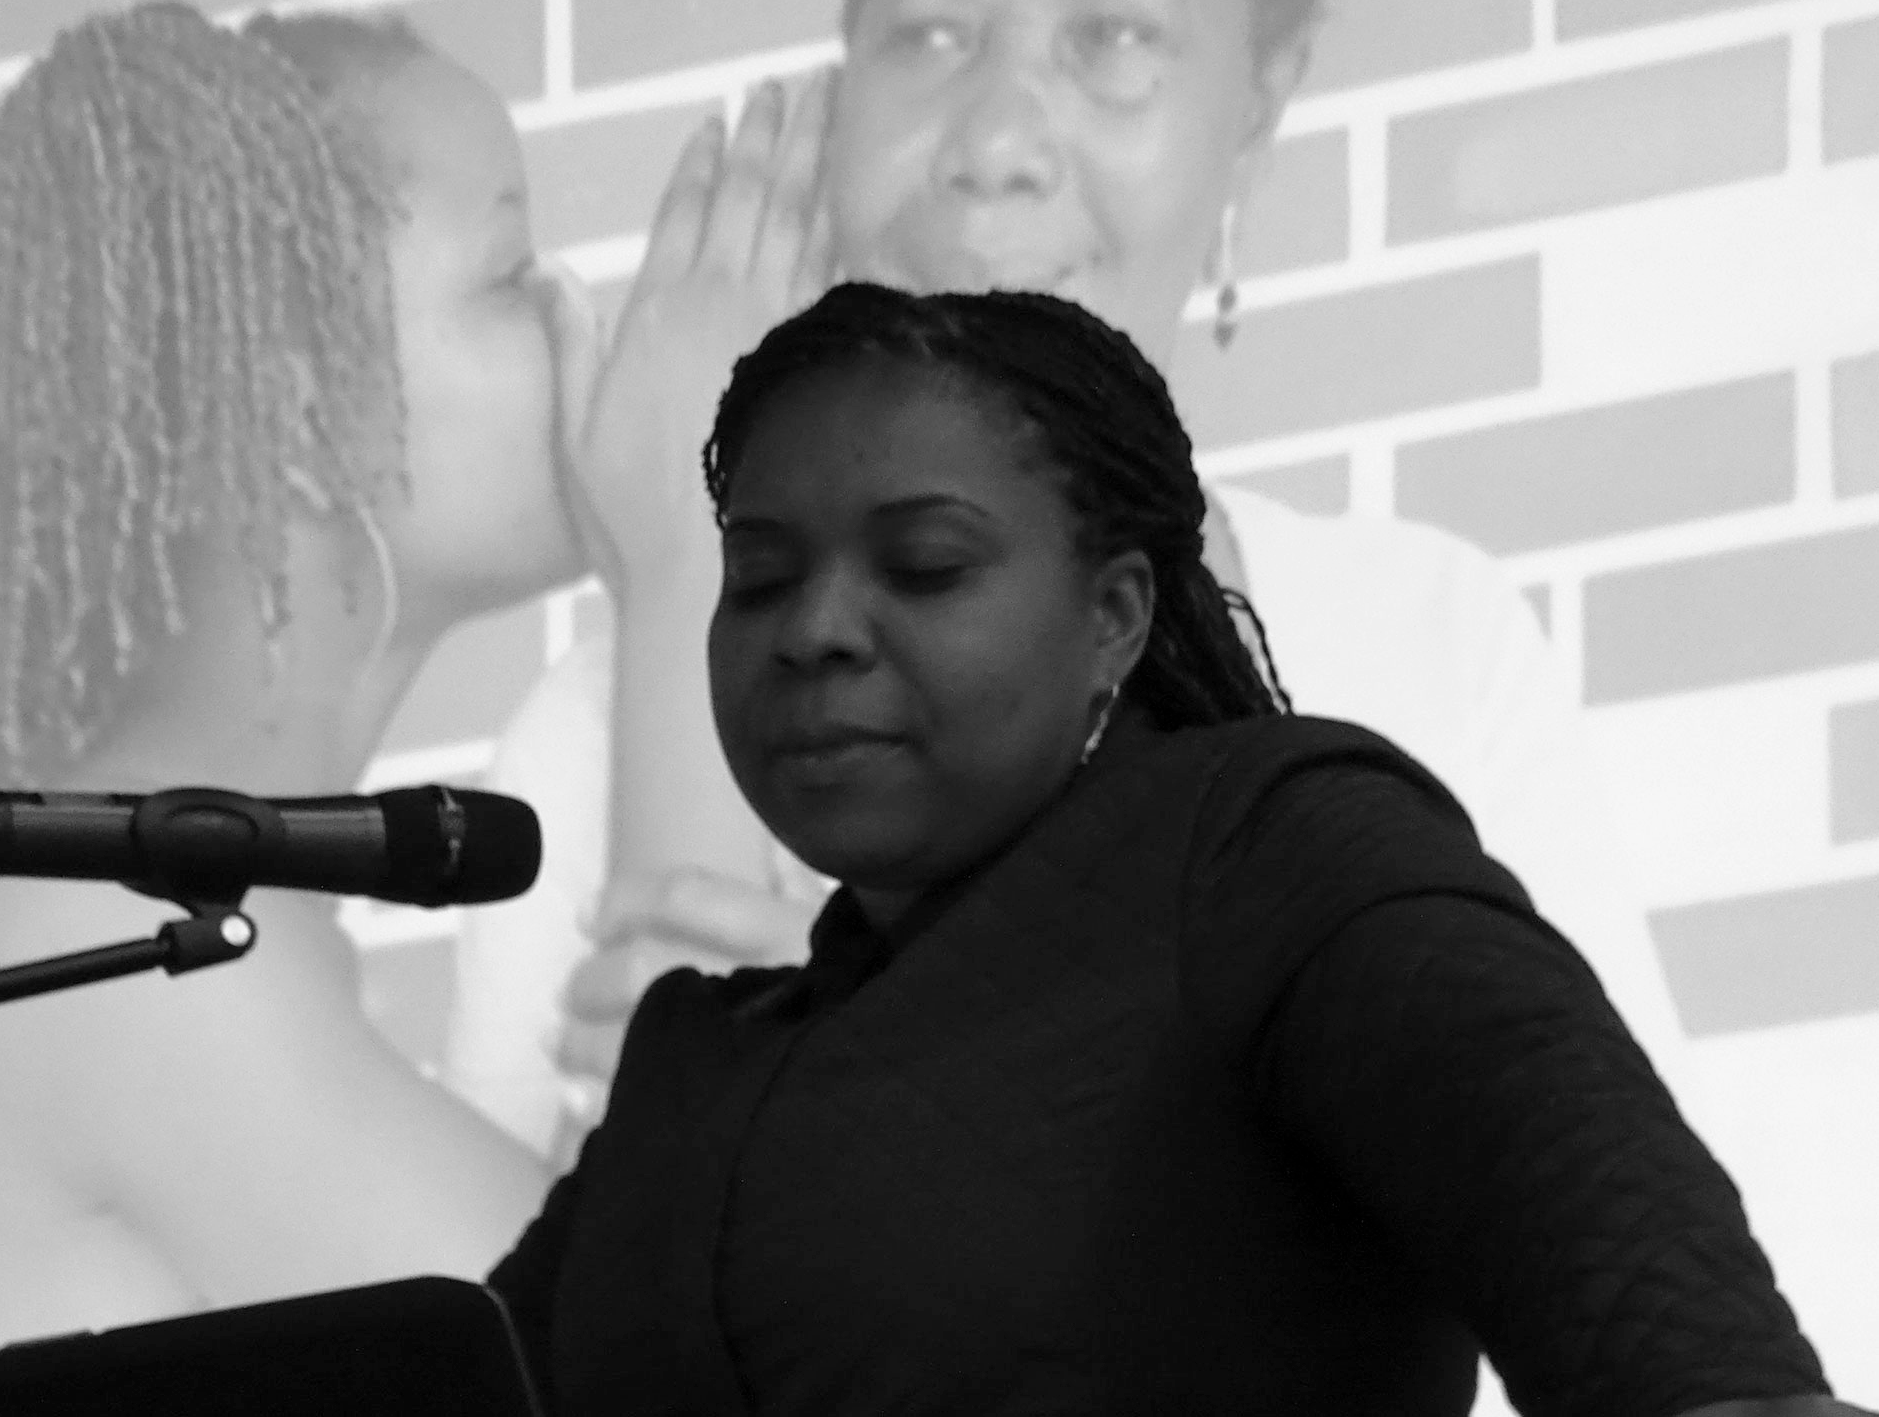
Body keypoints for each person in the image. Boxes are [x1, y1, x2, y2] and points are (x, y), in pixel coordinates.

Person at [445, 0, 1681, 1185]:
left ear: (1256, 104)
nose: (996, 142)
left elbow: (1625, 1263)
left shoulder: (1433, 658)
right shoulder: (594, 750)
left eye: (1115, 35)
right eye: (931, 32)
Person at [483, 282, 1863, 1415]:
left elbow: (1685, 1349)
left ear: (1116, 616)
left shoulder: (1280, 857)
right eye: (761, 577)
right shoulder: (692, 1073)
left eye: (925, 565)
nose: (814, 630)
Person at [0, 0, 580, 1355]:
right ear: (303, 411)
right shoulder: (104, 936)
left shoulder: (183, 908)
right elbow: (637, 1353)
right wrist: (687, 574)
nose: (575, 316)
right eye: (511, 277)